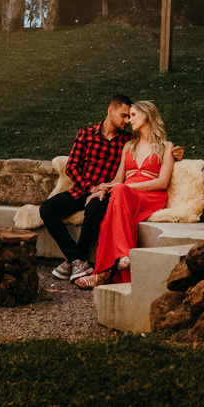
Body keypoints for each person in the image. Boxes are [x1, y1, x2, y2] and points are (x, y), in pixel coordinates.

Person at [40, 94, 183, 284]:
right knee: (47, 209)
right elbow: (73, 167)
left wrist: (177, 154)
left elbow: (153, 173)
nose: (127, 120)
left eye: (131, 116)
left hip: (118, 193)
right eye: (124, 115)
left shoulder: (130, 140)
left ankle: (99, 267)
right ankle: (77, 259)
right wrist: (95, 188)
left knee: (99, 209)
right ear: (110, 111)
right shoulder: (92, 136)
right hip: (87, 189)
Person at [75, 100, 174, 290]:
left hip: (150, 196)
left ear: (147, 115)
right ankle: (117, 262)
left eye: (133, 115)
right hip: (126, 196)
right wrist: (102, 189)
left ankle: (104, 271)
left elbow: (162, 182)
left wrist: (127, 187)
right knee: (112, 209)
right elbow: (118, 179)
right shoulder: (129, 146)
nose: (129, 120)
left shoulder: (166, 147)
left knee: (117, 199)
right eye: (128, 116)